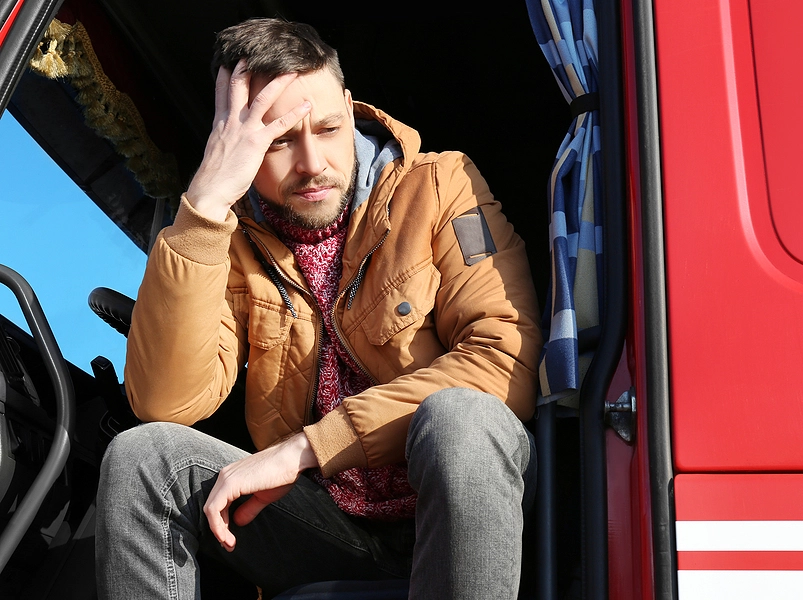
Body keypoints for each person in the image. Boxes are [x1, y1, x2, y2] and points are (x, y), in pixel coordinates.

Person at [95, 17, 541, 600]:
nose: (312, 163)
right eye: (278, 141)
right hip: (330, 526)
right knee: (142, 457)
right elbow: (164, 401)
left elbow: (503, 363)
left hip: (459, 519)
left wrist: (307, 449)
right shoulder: (227, 240)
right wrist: (203, 207)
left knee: (464, 419)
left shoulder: (439, 185)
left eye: (329, 128)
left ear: (351, 108)